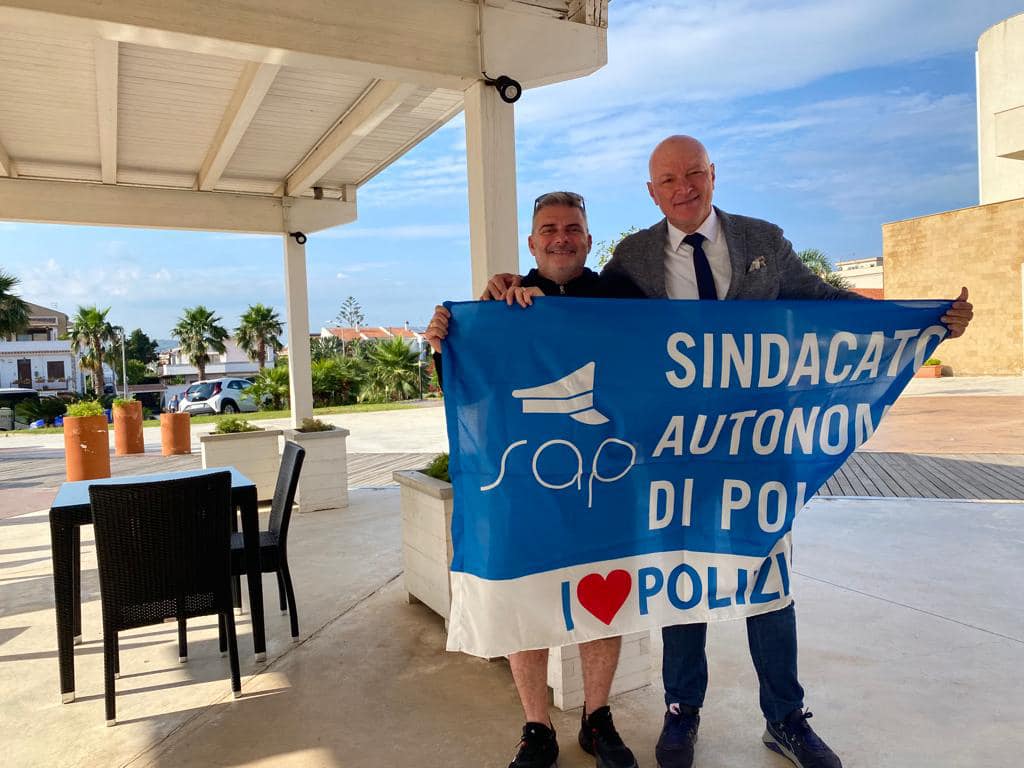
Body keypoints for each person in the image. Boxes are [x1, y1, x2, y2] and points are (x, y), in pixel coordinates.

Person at [481, 136, 974, 768]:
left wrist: (918, 319)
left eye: (693, 174)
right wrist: (503, 292)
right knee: (681, 579)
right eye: (668, 179)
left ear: (712, 175)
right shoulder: (634, 258)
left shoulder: (762, 240)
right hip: (673, 449)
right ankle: (681, 712)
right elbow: (581, 319)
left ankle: (785, 717)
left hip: (756, 445)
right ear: (652, 192)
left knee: (767, 580)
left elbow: (825, 302)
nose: (682, 187)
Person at [425, 191, 643, 768]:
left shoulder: (620, 300)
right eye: (549, 229)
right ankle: (536, 727)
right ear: (532, 241)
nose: (560, 238)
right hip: (526, 484)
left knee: (604, 602)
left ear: (588, 240)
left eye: (572, 228)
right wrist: (446, 342)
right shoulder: (502, 303)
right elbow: (469, 392)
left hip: (604, 481)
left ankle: (598, 719)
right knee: (526, 600)